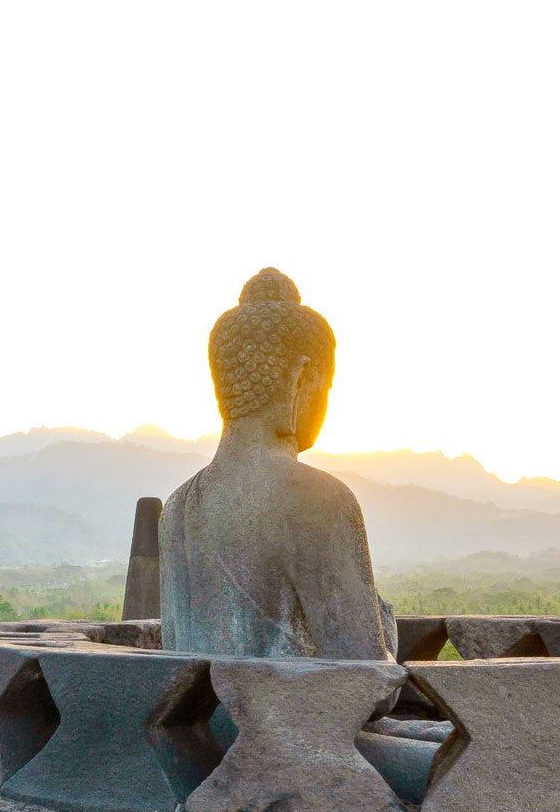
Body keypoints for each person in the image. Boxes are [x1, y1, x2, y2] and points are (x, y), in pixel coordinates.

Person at [160, 267, 390, 660]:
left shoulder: (177, 507)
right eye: (327, 385)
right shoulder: (318, 498)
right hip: (291, 720)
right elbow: (368, 680)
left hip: (200, 723)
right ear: (301, 378)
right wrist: (385, 625)